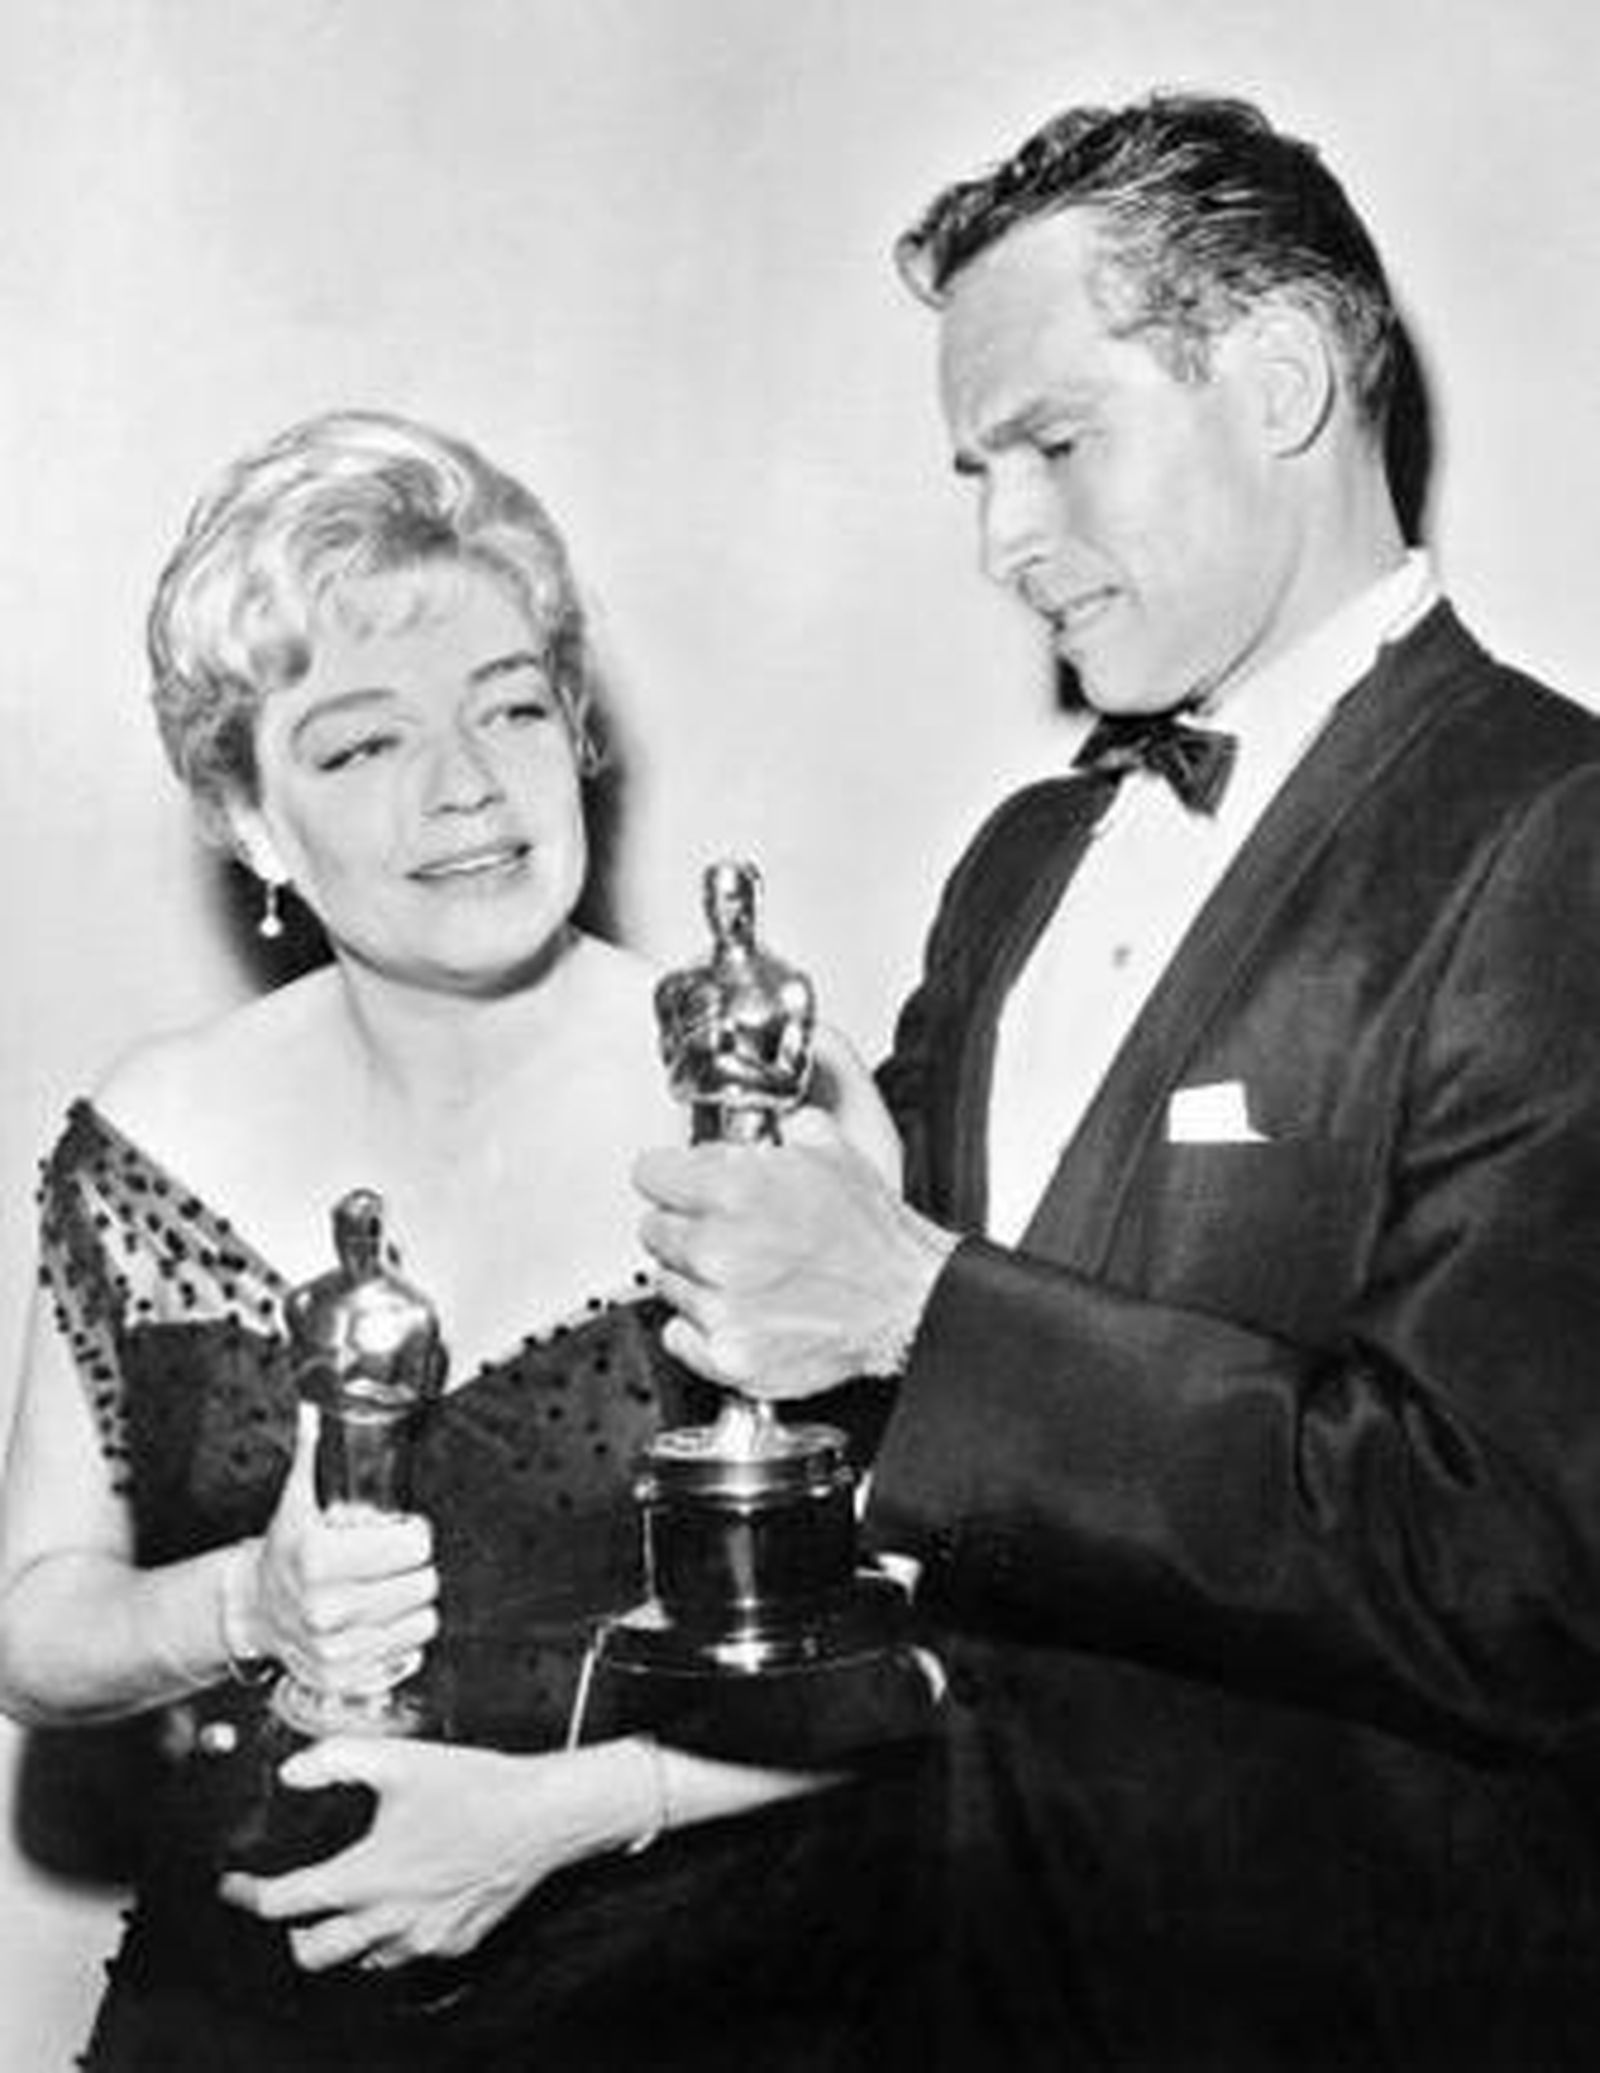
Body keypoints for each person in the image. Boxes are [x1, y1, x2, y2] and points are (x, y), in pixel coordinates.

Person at [635, 92, 1600, 2070]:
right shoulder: (1019, 859)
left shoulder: (1555, 834)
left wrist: (914, 1306)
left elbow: (1500, 1562)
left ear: (1280, 377)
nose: (1001, 542)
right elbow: (923, 1435)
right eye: (976, 473)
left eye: (1054, 444)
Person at [0, 409, 921, 2071]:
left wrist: (566, 1813)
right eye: (362, 745)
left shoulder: (771, 1094)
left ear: (575, 729)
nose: (467, 786)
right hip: (240, 2022)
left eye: (509, 706)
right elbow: (38, 1627)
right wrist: (247, 1600)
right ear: (249, 817)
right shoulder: (151, 1133)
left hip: (696, 2007)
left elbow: (927, 1633)